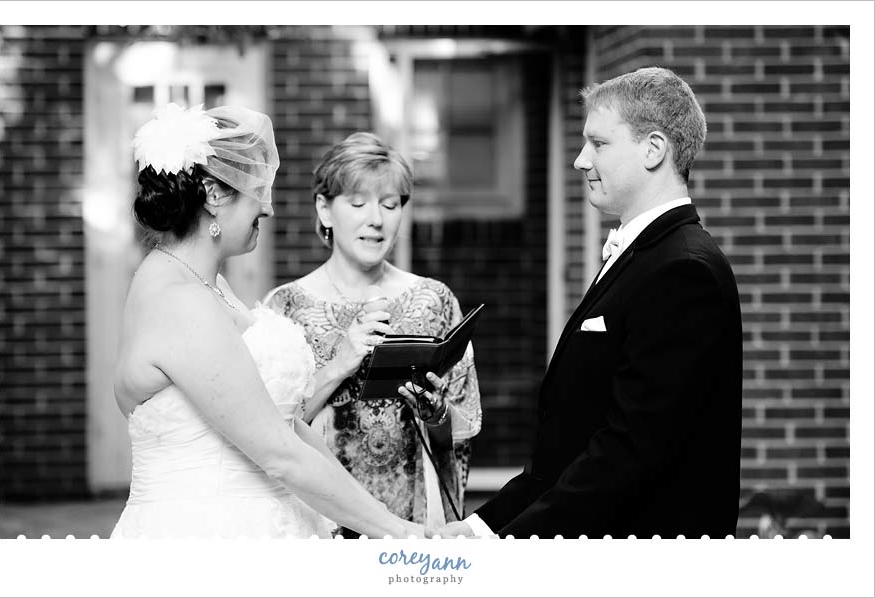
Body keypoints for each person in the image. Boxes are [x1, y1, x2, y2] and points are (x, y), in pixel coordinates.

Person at [439, 67, 743, 539]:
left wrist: (508, 548)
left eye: (598, 144)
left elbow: (631, 452)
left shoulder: (684, 271)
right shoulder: (644, 256)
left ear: (653, 149)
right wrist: (479, 529)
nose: (581, 161)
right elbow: (570, 447)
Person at [110, 104, 426, 539]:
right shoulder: (178, 300)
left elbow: (288, 428)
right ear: (214, 195)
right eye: (257, 188)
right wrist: (396, 532)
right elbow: (279, 453)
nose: (269, 207)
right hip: (206, 538)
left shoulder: (208, 284)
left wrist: (378, 517)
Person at [263, 132, 482, 534]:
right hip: (321, 521)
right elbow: (270, 433)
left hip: (413, 522)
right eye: (358, 203)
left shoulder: (434, 300)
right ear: (325, 210)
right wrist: (339, 365)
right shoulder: (285, 307)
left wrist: (435, 412)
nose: (376, 220)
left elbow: (464, 427)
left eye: (390, 204)